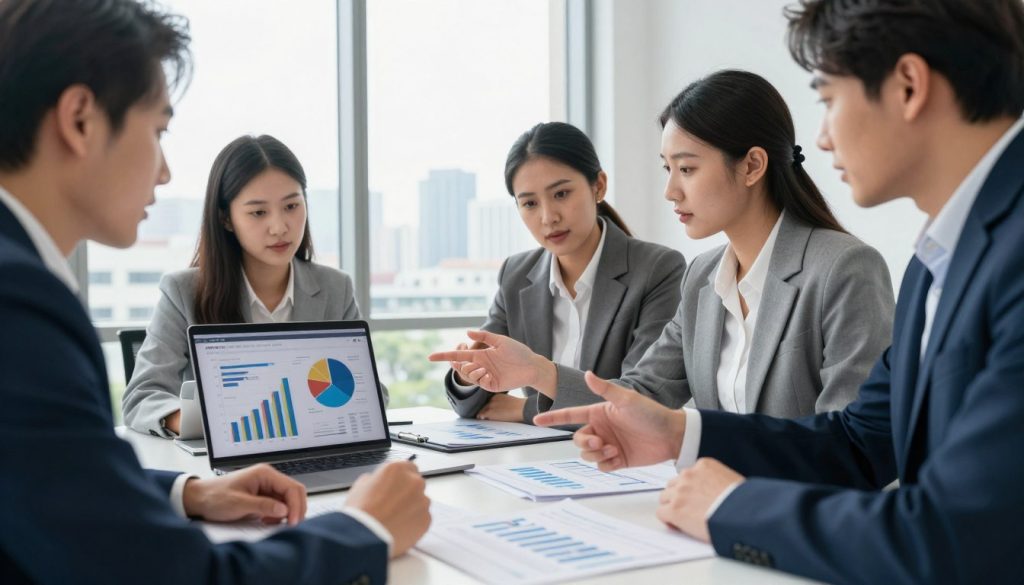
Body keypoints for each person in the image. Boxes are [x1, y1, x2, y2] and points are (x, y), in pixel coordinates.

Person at [533, 1, 1024, 583]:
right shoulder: (935, 259)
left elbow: (958, 535)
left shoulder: (980, 258)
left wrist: (729, 506)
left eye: (828, 99)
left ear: (909, 86)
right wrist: (679, 432)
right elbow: (859, 444)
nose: (821, 137)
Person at [0, 1, 427, 583]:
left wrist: (190, 492)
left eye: (291, 206)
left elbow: (56, 479)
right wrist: (365, 529)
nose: (165, 172)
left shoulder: (21, 283)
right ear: (79, 120)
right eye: (158, 131)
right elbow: (176, 575)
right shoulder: (21, 302)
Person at [433, 71, 894, 419]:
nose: (671, 191)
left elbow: (852, 440)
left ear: (753, 166)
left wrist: (699, 447)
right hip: (712, 498)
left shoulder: (844, 268)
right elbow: (643, 393)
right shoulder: (703, 277)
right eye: (667, 169)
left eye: (687, 169)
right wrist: (538, 371)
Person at [122, 134, 383, 437]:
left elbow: (371, 392)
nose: (279, 227)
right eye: (258, 212)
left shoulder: (335, 288)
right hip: (227, 456)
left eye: (291, 206)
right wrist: (208, 426)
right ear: (226, 219)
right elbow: (142, 397)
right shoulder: (184, 291)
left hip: (315, 447)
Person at [444, 121, 686, 422]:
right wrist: (468, 376)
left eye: (561, 194)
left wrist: (526, 409)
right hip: (542, 450)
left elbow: (642, 400)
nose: (548, 217)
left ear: (598, 186)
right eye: (530, 203)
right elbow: (476, 405)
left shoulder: (658, 269)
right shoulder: (516, 274)